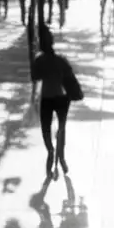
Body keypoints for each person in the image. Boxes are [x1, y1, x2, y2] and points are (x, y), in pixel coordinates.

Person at [31, 27, 80, 178]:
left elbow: (35, 78)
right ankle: (61, 156)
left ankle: (51, 150)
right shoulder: (60, 60)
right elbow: (69, 74)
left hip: (46, 98)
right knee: (61, 128)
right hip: (61, 98)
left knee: (46, 128)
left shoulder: (39, 61)